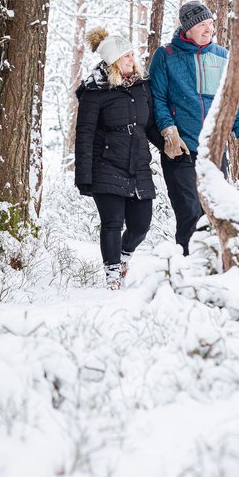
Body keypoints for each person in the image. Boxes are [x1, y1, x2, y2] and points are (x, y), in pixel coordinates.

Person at [149, 0, 239, 256]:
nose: (208, 29)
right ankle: (186, 265)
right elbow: (158, 99)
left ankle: (212, 264)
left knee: (214, 211)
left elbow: (232, 99)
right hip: (180, 148)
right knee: (189, 211)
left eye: (210, 24)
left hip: (214, 149)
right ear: (188, 28)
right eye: (202, 25)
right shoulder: (166, 55)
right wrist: (168, 130)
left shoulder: (221, 56)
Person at [74, 27, 163, 290]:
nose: (131, 60)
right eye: (125, 56)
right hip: (106, 165)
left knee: (141, 225)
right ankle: (112, 274)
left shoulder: (141, 87)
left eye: (132, 54)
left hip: (138, 166)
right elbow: (85, 134)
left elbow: (149, 126)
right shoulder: (95, 90)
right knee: (112, 223)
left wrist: (168, 146)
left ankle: (124, 256)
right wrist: (84, 176)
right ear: (113, 61)